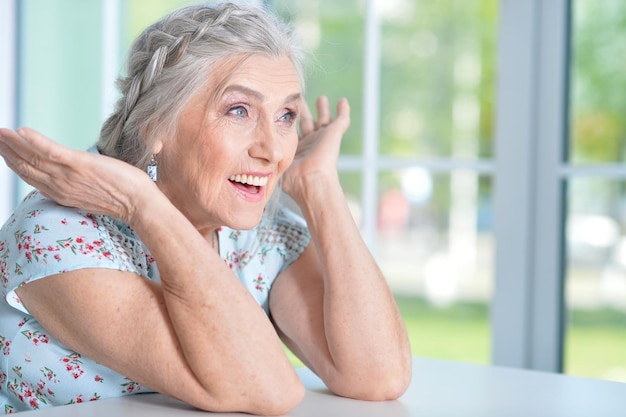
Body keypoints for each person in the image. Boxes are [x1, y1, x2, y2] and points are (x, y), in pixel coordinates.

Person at [0, 1, 411, 414]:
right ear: (156, 124)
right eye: (238, 110)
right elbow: (269, 390)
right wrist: (143, 203)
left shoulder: (260, 234)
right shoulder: (57, 234)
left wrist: (318, 185)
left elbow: (379, 375)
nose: (272, 150)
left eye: (286, 115)